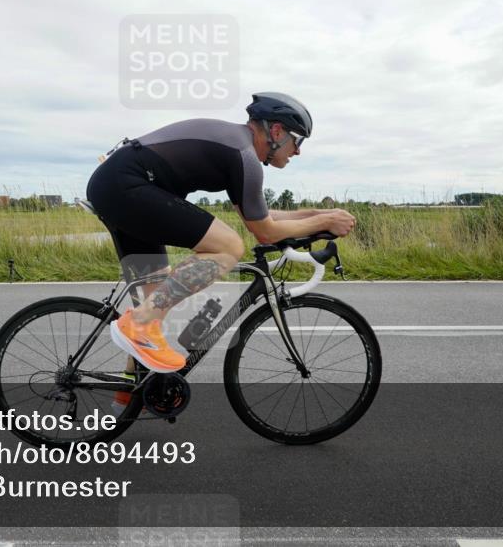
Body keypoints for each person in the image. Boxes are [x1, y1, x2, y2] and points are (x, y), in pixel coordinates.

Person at [86, 92, 356, 377]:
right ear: (277, 131)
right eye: (297, 141)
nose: (298, 151)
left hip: (117, 185)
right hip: (125, 186)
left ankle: (131, 391)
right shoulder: (243, 155)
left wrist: (317, 216)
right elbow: (265, 232)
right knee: (228, 246)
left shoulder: (236, 147)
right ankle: (139, 324)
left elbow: (263, 216)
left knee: (155, 302)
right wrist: (324, 220)